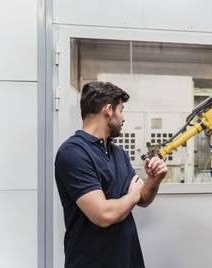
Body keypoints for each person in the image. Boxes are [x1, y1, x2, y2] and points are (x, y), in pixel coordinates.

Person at [55, 81, 168, 268]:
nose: (123, 119)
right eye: (121, 110)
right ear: (108, 110)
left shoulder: (118, 154)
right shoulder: (73, 153)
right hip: (92, 262)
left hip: (128, 259)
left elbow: (143, 199)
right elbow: (103, 215)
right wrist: (132, 195)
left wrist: (154, 180)